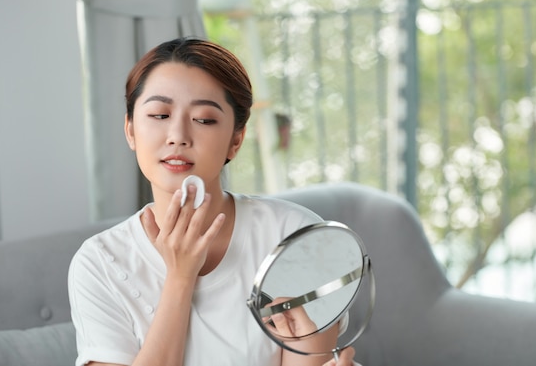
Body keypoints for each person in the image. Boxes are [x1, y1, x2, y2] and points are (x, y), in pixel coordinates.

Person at [68, 37, 357, 366]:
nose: (178, 135)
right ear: (130, 130)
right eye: (160, 115)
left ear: (236, 140)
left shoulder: (298, 237)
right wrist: (180, 277)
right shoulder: (100, 262)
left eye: (204, 120)